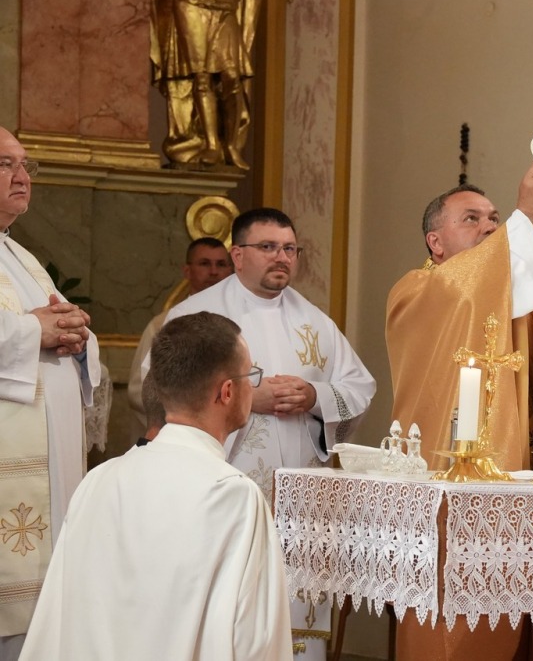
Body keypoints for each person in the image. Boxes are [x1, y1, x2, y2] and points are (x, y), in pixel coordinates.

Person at [385, 159, 533, 660]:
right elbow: (462, 290)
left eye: (494, 218)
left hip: (517, 484)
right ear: (434, 242)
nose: (489, 227)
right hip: (442, 486)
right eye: (471, 219)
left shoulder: (521, 299)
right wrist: (524, 217)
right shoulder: (415, 291)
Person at [161, 207, 375, 658]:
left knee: (296, 619)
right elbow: (160, 389)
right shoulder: (197, 315)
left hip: (301, 500)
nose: (282, 257)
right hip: (226, 490)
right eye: (269, 247)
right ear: (238, 255)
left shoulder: (314, 321)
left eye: (290, 249)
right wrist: (245, 398)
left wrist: (314, 396)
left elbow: (360, 386)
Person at [21, 312, 292, 660]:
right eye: (250, 376)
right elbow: (257, 641)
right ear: (227, 392)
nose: (252, 387)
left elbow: (55, 618)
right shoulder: (232, 496)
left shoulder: (99, 480)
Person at [0, 126, 100, 659]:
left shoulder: (20, 255)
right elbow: (30, 327)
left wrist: (78, 336)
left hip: (51, 460)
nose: (22, 177)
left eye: (26, 165)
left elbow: (56, 321)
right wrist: (33, 331)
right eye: (5, 164)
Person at [127, 236, 232, 435]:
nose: (214, 271)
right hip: (180, 433)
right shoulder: (163, 324)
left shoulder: (241, 322)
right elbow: (138, 388)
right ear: (187, 271)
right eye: (204, 264)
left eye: (221, 264)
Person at [150, 0, 260, 169]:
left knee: (232, 76)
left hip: (226, 5)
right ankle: (212, 145)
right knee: (201, 78)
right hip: (190, 3)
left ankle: (231, 145)